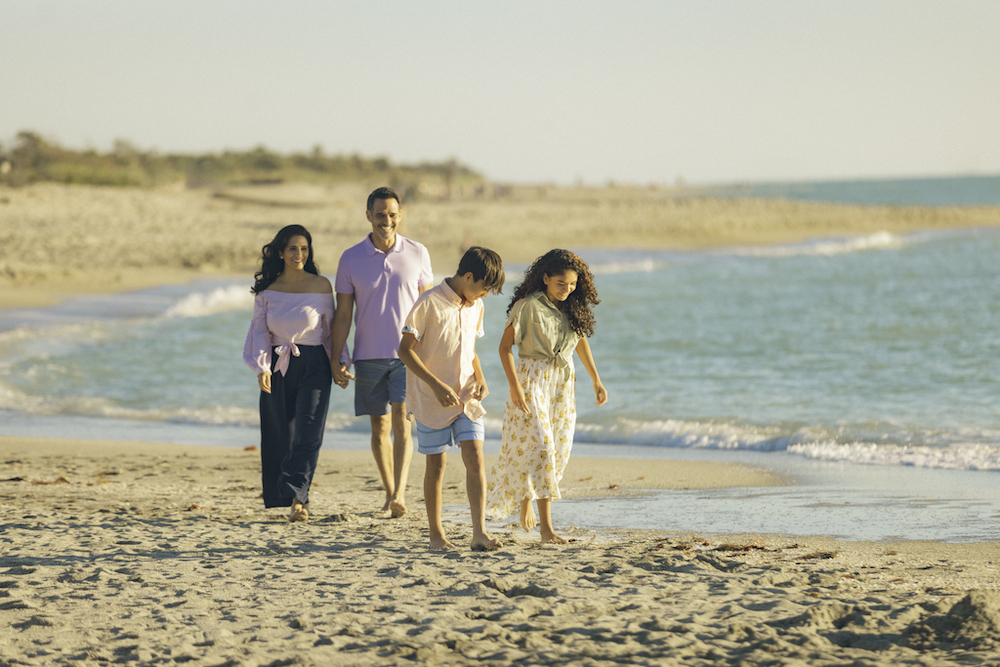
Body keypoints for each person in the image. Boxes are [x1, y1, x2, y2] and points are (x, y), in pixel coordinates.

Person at [485, 249, 608, 543]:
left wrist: (596, 380)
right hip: (532, 380)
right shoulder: (527, 307)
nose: (567, 290)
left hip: (563, 383)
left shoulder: (572, 309)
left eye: (572, 285)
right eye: (560, 284)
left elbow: (580, 345)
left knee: (558, 450)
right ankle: (546, 529)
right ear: (546, 278)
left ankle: (528, 496)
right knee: (542, 446)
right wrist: (515, 386)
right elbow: (504, 348)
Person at [330, 187, 433, 518]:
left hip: (408, 354)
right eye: (379, 214)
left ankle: (400, 493)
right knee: (380, 426)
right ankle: (390, 492)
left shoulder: (418, 253)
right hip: (368, 355)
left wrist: (431, 354)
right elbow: (343, 314)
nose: (386, 220)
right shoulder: (350, 258)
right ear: (368, 216)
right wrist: (337, 357)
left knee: (404, 422)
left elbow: (427, 310)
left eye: (392, 214)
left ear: (400, 216)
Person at [398, 247, 505, 551]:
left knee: (475, 456)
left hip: (466, 396)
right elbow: (404, 350)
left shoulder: (475, 307)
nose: (483, 296)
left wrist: (481, 377)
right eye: (483, 288)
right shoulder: (428, 302)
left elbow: (470, 350)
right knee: (437, 465)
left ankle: (479, 533)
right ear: (468, 276)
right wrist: (434, 385)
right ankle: (436, 535)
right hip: (432, 399)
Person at [243, 224, 340, 523]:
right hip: (277, 362)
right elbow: (259, 330)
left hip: (314, 363)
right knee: (279, 432)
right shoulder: (268, 290)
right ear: (281, 252)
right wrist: (262, 366)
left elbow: (331, 332)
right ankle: (282, 495)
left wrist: (340, 363)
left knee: (309, 431)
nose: (299, 254)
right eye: (293, 248)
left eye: (304, 248)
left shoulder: (322, 285)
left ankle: (299, 499)